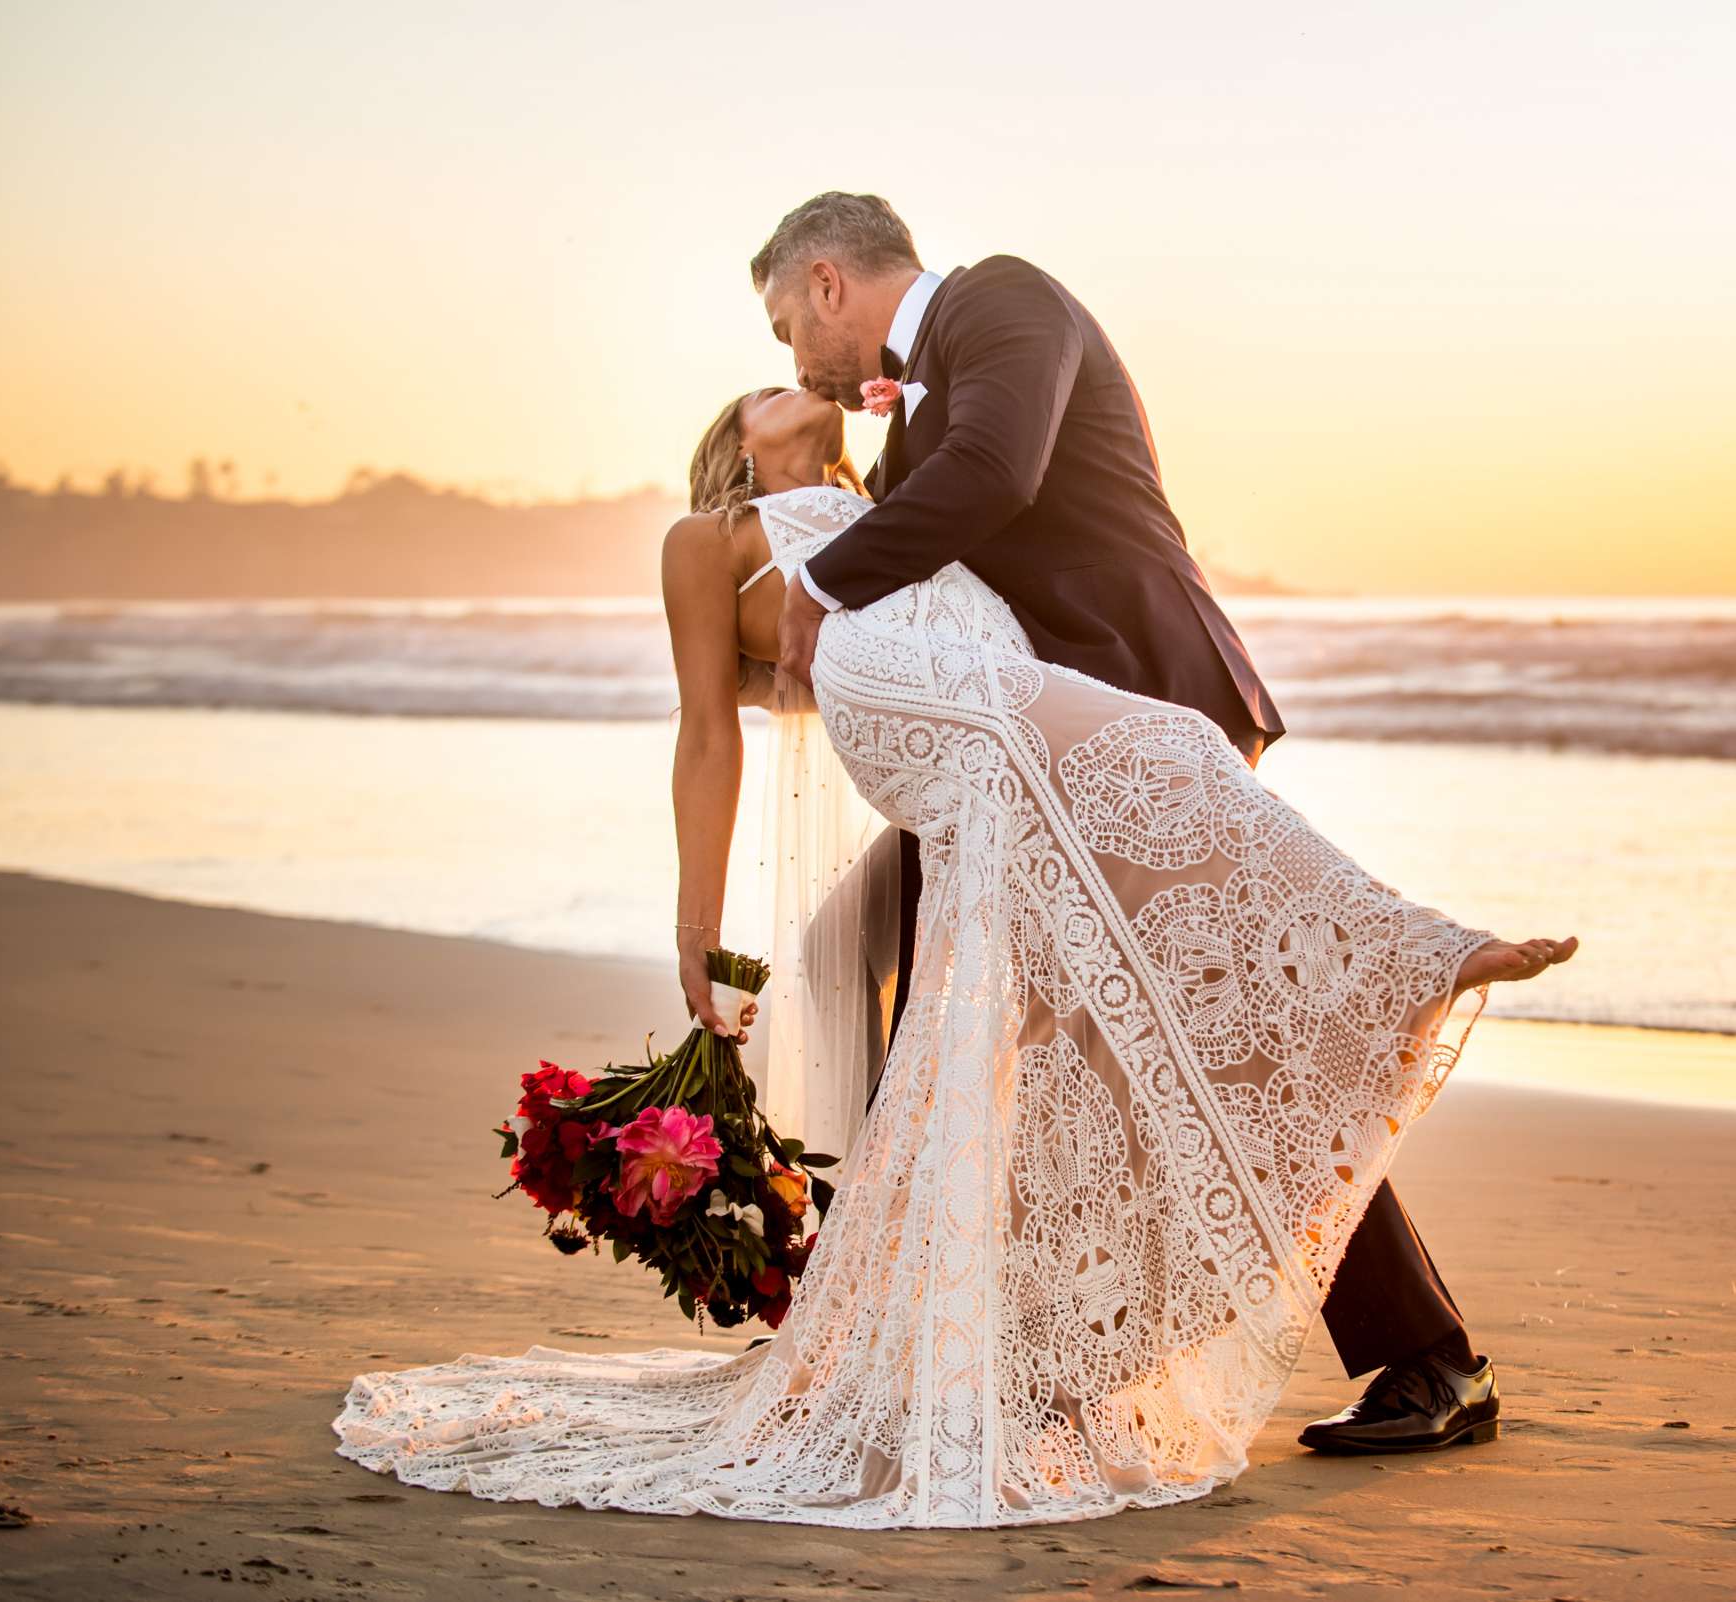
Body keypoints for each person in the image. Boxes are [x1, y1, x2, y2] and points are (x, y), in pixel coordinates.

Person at [328, 204, 1578, 1528]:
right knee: (907, 984)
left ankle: (1393, 1348)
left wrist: (828, 580)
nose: (795, 363)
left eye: (782, 329)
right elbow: (810, 667)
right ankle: (939, 1332)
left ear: (825, 284)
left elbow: (995, 474)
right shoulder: (894, 433)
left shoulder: (1000, 305)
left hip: (1136, 702)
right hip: (1012, 762)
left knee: (1164, 1040)